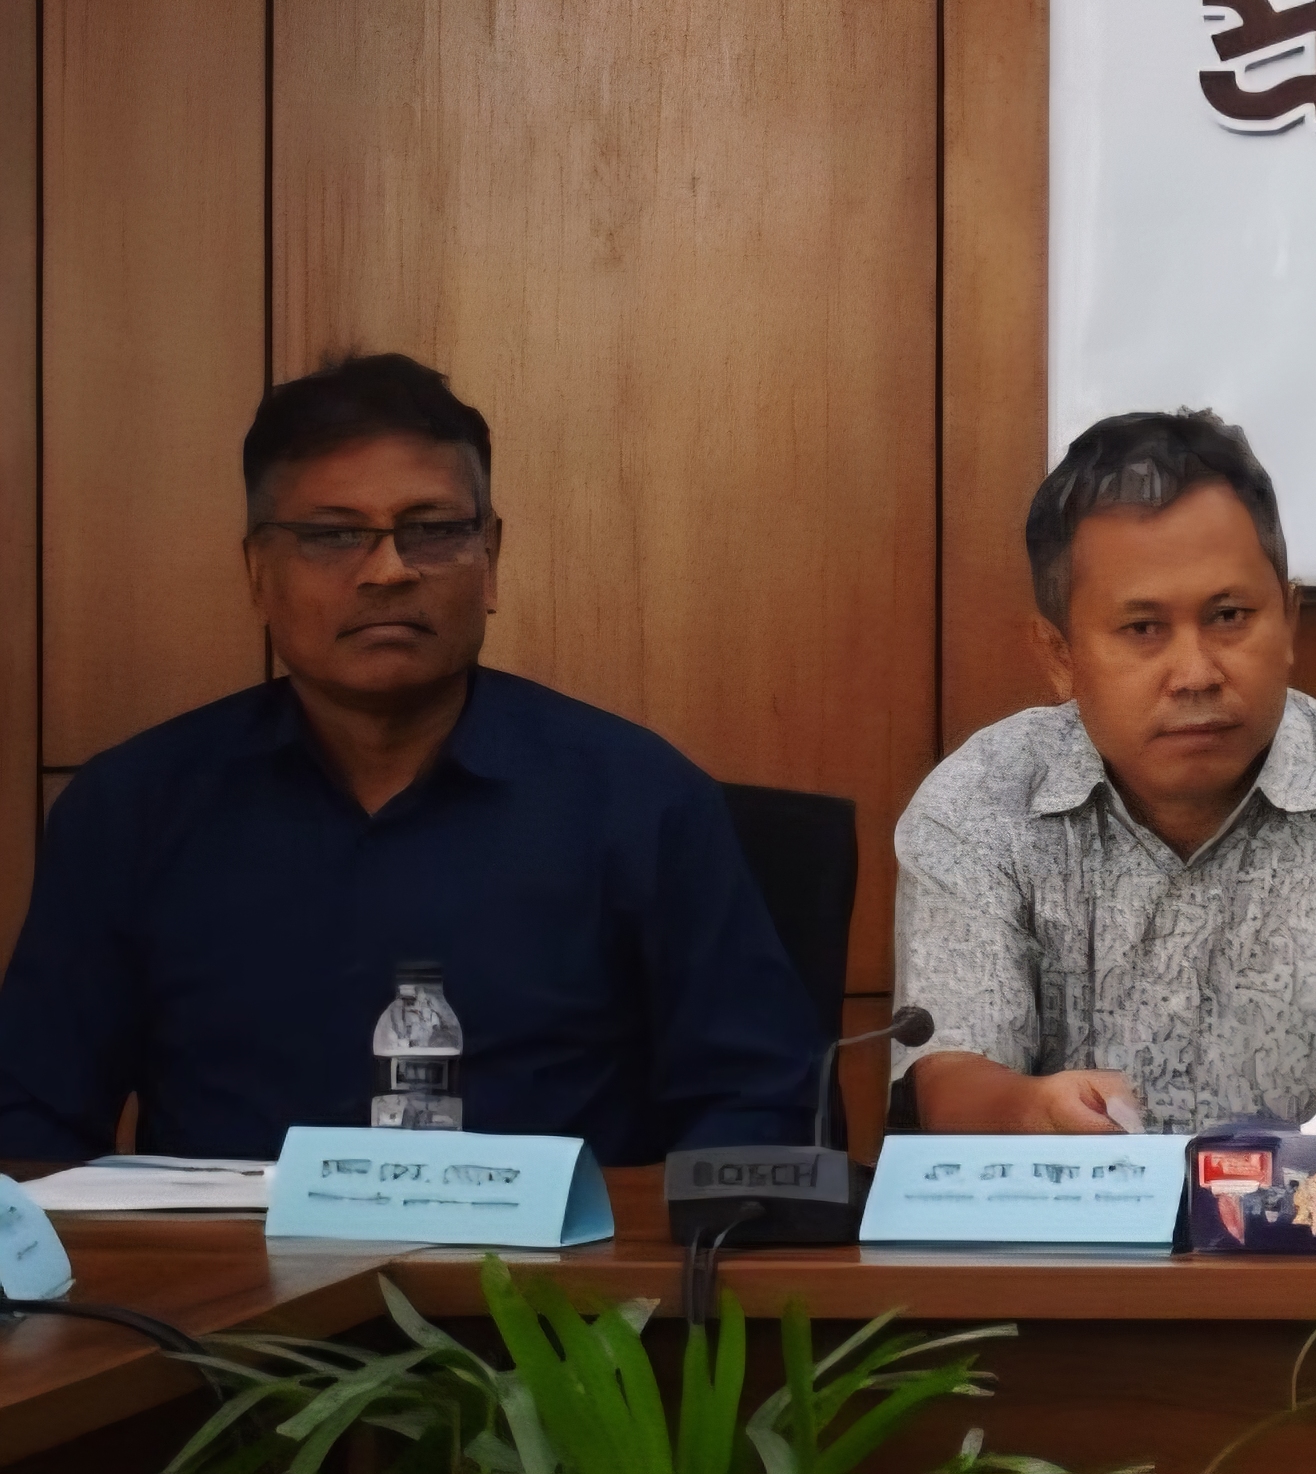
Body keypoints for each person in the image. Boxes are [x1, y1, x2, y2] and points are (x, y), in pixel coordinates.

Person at [0, 355, 819, 1161]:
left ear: (490, 558)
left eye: (432, 531)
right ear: (257, 573)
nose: (389, 570)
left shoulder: (640, 801)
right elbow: (30, 1119)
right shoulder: (132, 811)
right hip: (234, 1256)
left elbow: (759, 1106)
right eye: (333, 536)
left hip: (557, 1253)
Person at [894, 409, 1316, 1136]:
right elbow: (951, 1084)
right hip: (1077, 1215)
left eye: (1229, 616)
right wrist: (1030, 1109)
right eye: (1143, 629)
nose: (1195, 673)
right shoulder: (978, 805)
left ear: (1288, 621)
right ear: (1060, 657)